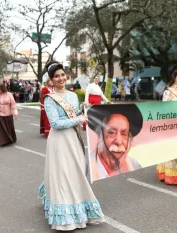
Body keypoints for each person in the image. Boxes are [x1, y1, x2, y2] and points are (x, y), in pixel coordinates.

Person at [38, 62, 104, 231]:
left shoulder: (73, 96)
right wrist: (78, 119)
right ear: (51, 80)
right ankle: (65, 213)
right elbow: (55, 123)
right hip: (59, 140)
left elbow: (75, 114)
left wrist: (83, 109)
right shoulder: (49, 98)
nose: (60, 78)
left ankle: (78, 205)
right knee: (63, 173)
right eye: (56, 76)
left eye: (62, 75)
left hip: (73, 139)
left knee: (76, 171)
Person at [87, 104, 143, 181]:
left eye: (124, 134)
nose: (119, 141)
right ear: (100, 135)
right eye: (111, 132)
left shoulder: (135, 165)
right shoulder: (88, 168)